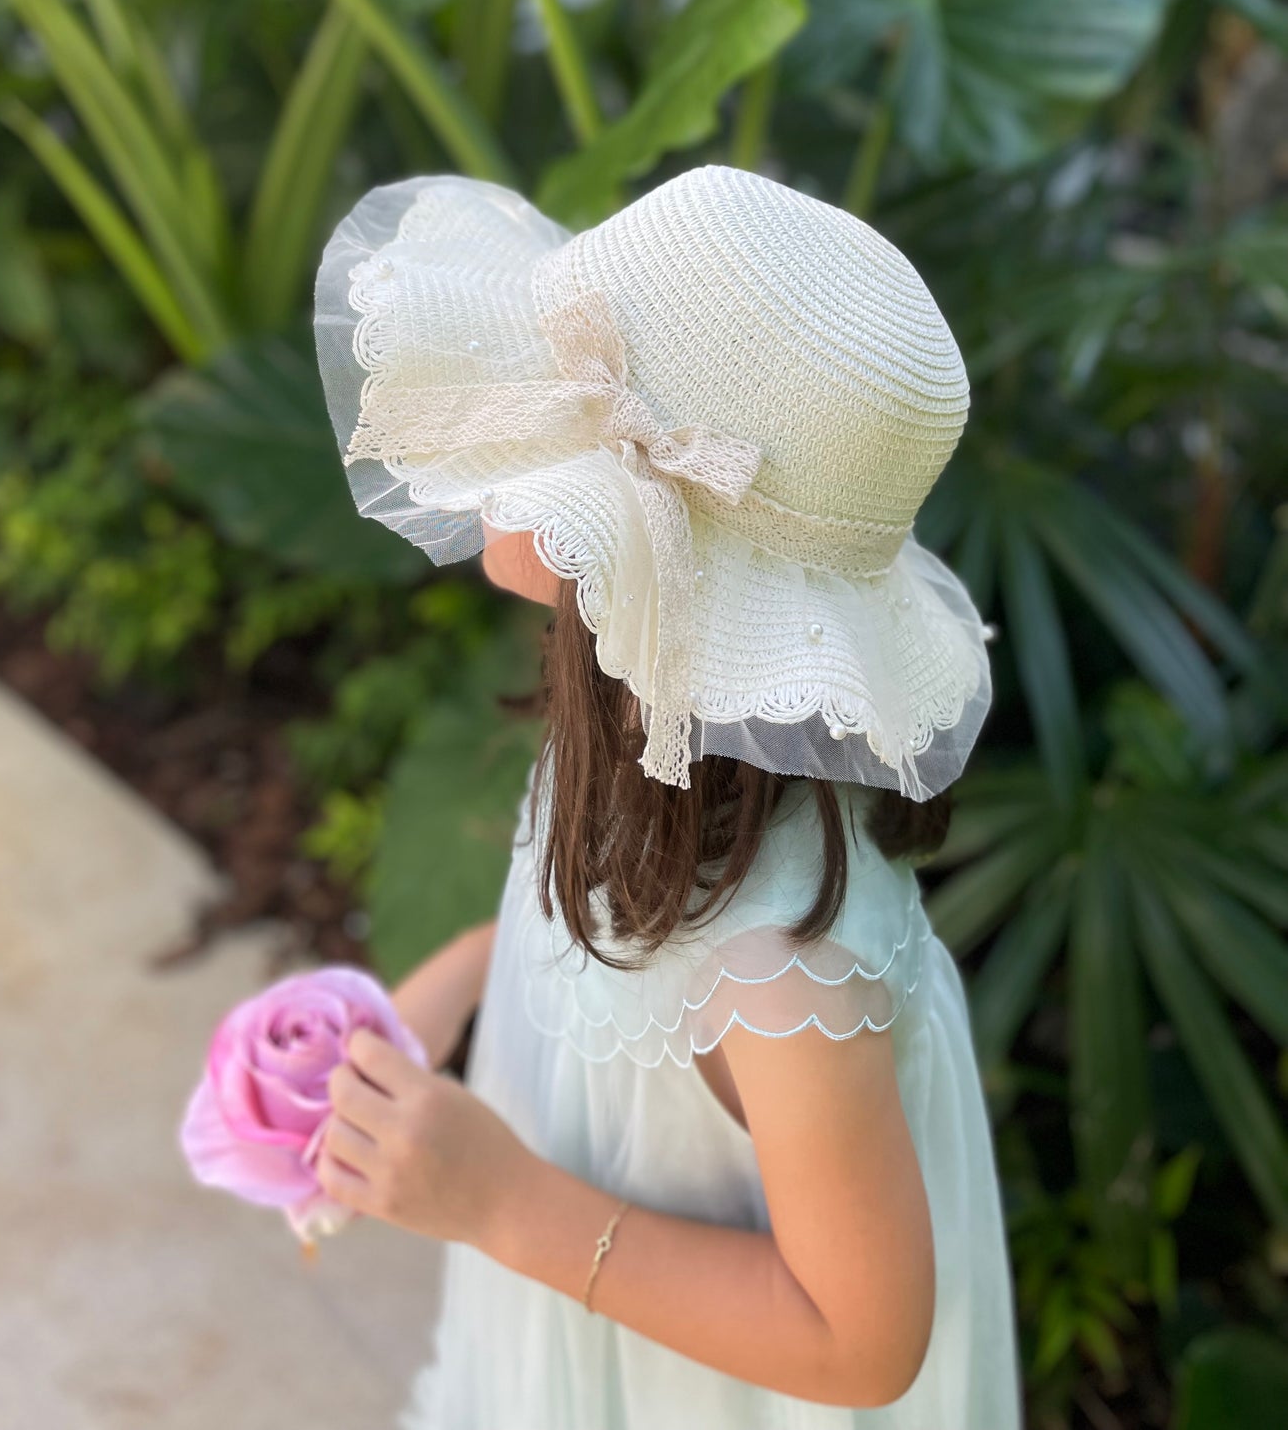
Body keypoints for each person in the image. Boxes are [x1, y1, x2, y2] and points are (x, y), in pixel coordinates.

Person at [309, 165, 1020, 1428]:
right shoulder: (661, 725)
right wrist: (461, 980)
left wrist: (499, 1204)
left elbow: (863, 1342)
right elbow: (592, 970)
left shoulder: (780, 972)